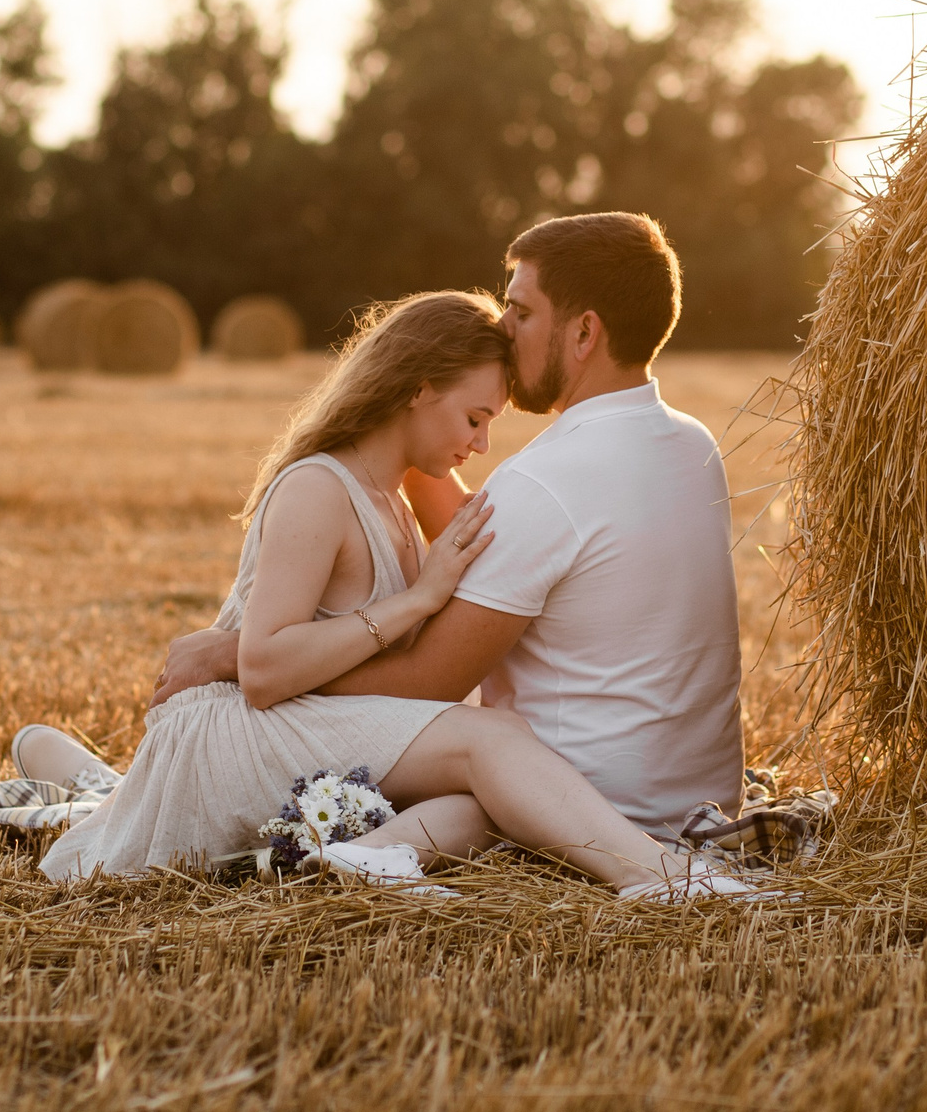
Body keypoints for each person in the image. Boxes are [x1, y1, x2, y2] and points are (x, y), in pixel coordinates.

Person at [17, 288, 758, 899]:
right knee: (494, 738)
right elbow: (265, 670)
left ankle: (365, 857)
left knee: (497, 800)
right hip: (248, 727)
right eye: (475, 418)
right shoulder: (317, 488)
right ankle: (659, 878)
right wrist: (412, 602)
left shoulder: (405, 488)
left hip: (305, 721)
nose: (481, 445)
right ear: (418, 389)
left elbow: (496, 538)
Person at [150, 212, 745, 854]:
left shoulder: (544, 482)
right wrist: (411, 409)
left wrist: (232, 656)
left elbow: (425, 683)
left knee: (456, 784)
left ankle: (346, 862)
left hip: (583, 803)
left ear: (583, 333)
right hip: (699, 796)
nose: (504, 326)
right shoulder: (694, 445)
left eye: (521, 311)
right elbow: (473, 520)